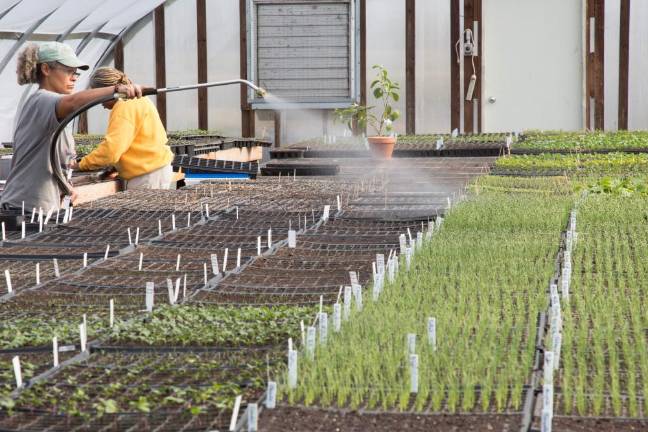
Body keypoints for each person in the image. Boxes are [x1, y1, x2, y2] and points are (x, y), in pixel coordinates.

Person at [0, 42, 142, 214]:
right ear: (46, 69)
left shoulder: (52, 109)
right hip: (24, 208)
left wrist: (65, 186)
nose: (74, 77)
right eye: (68, 71)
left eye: (76, 72)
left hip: (42, 208)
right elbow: (73, 102)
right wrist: (117, 89)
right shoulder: (41, 100)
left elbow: (50, 161)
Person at [73, 67, 174, 190]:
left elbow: (111, 150)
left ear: (106, 91)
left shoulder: (124, 105)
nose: (101, 104)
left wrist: (81, 164)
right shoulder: (137, 99)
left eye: (98, 96)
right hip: (154, 169)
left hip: (147, 175)